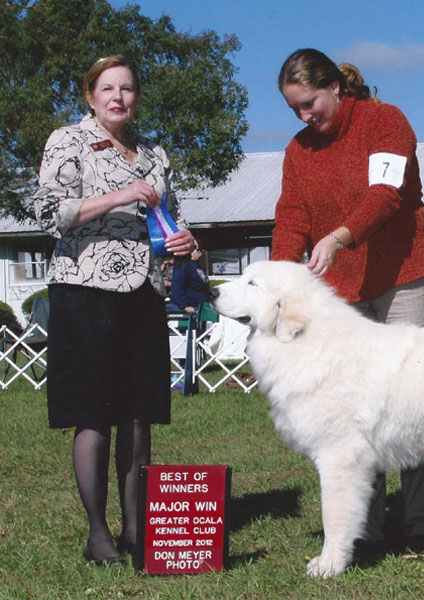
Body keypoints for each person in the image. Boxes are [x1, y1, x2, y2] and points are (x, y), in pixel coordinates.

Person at [272, 48, 424, 551]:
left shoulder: (384, 120)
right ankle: (361, 528)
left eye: (310, 104)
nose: (305, 117)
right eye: (294, 110)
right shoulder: (298, 149)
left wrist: (340, 236)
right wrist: (283, 278)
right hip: (339, 292)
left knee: (412, 402)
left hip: (402, 277)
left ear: (335, 89)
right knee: (350, 413)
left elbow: (386, 194)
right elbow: (291, 217)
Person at [33, 55, 196, 565]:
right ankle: (97, 533)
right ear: (90, 96)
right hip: (85, 292)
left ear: (137, 97)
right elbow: (48, 214)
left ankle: (135, 528)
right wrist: (119, 195)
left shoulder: (155, 153)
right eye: (107, 88)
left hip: (144, 294)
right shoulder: (68, 141)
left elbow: (171, 219)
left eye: (127, 88)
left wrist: (187, 242)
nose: (118, 97)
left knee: (139, 415)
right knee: (93, 415)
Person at [168, 246, 210, 314]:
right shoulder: (184, 264)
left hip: (201, 306)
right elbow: (177, 286)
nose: (202, 253)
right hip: (189, 308)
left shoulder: (196, 265)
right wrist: (185, 305)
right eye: (200, 251)